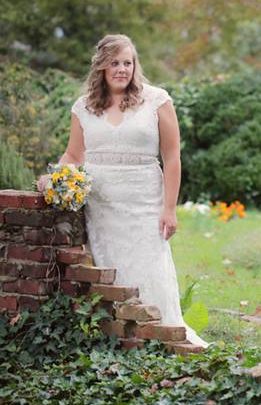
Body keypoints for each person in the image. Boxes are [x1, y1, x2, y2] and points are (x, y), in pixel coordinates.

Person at [37, 34, 208, 348]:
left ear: (135, 65)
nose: (122, 69)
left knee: (149, 262)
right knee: (110, 268)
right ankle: (120, 337)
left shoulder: (157, 100)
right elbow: (74, 156)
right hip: (102, 205)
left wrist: (169, 208)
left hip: (144, 200)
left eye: (127, 62)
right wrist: (53, 179)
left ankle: (162, 332)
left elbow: (172, 157)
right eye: (114, 63)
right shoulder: (84, 107)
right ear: (101, 67)